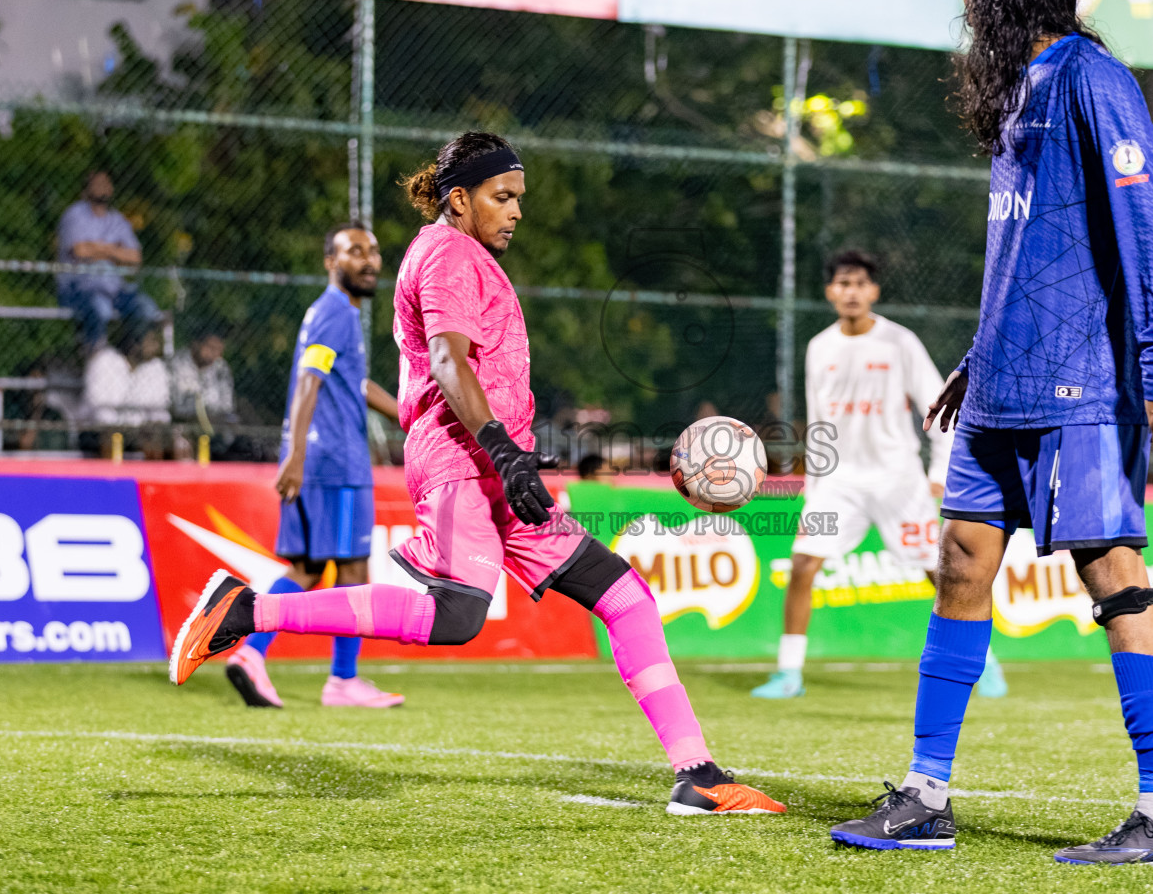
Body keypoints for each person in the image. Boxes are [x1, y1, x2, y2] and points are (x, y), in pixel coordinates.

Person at [171, 131, 785, 816]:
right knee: (457, 614)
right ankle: (247, 609)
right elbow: (444, 359)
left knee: (625, 596)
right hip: (467, 463)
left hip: (497, 468)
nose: (517, 210)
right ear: (459, 199)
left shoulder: (463, 253)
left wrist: (511, 451)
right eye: (504, 196)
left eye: (519, 197)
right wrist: (500, 448)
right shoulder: (446, 254)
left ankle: (696, 774)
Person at [830, 0, 1153, 865]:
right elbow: (1026, 254)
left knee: (1111, 570)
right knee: (960, 561)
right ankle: (924, 794)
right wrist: (975, 358)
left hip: (1085, 385)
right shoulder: (1021, 91)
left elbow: (1151, 220)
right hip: (1004, 386)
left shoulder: (1092, 78)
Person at [751, 249, 1005, 701]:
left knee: (942, 572)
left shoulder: (900, 342)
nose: (852, 292)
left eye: (861, 284)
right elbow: (819, 419)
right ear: (830, 292)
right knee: (803, 564)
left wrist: (937, 471)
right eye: (843, 284)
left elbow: (941, 402)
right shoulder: (819, 347)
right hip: (839, 483)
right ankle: (788, 673)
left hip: (898, 478)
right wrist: (815, 483)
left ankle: (982, 661)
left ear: (874, 291)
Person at [220, 224, 404, 709]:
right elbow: (309, 382)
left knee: (306, 568)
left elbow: (354, 385)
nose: (367, 260)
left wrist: (409, 412)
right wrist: (296, 455)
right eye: (354, 251)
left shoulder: (334, 315)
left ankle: (251, 654)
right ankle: (342, 680)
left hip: (320, 459)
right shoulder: (335, 313)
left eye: (373, 250)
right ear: (330, 262)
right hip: (336, 463)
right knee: (353, 569)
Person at [56, 171, 160, 351]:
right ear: (85, 190)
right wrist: (115, 250)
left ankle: (127, 354)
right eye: (97, 183)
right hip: (80, 289)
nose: (102, 187)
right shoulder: (75, 214)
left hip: (115, 290)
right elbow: (79, 251)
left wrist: (98, 248)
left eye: (106, 183)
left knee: (147, 308)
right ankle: (94, 355)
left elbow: (135, 257)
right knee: (101, 308)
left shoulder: (117, 220)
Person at [80, 329, 171, 458]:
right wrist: (116, 428)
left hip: (138, 431)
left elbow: (160, 408)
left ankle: (152, 477)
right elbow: (98, 408)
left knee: (160, 435)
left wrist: (156, 425)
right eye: (151, 341)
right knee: (110, 434)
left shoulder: (155, 366)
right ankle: (111, 477)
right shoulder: (105, 360)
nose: (156, 346)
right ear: (135, 343)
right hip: (98, 429)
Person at [170, 330, 237, 429]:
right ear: (196, 344)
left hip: (215, 425)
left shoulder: (221, 368)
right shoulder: (177, 364)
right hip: (182, 424)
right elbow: (175, 406)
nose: (215, 354)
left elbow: (227, 406)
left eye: (219, 350)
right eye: (211, 348)